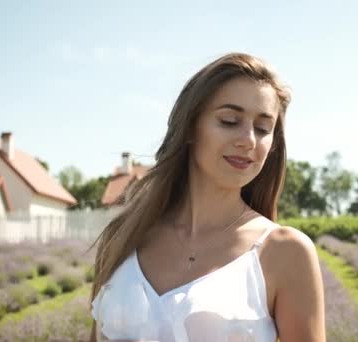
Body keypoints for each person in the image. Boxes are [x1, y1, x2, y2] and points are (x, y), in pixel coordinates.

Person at [90, 52, 325, 341]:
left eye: (263, 129)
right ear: (189, 127)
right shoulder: (123, 237)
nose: (248, 140)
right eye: (229, 120)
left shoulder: (285, 252)